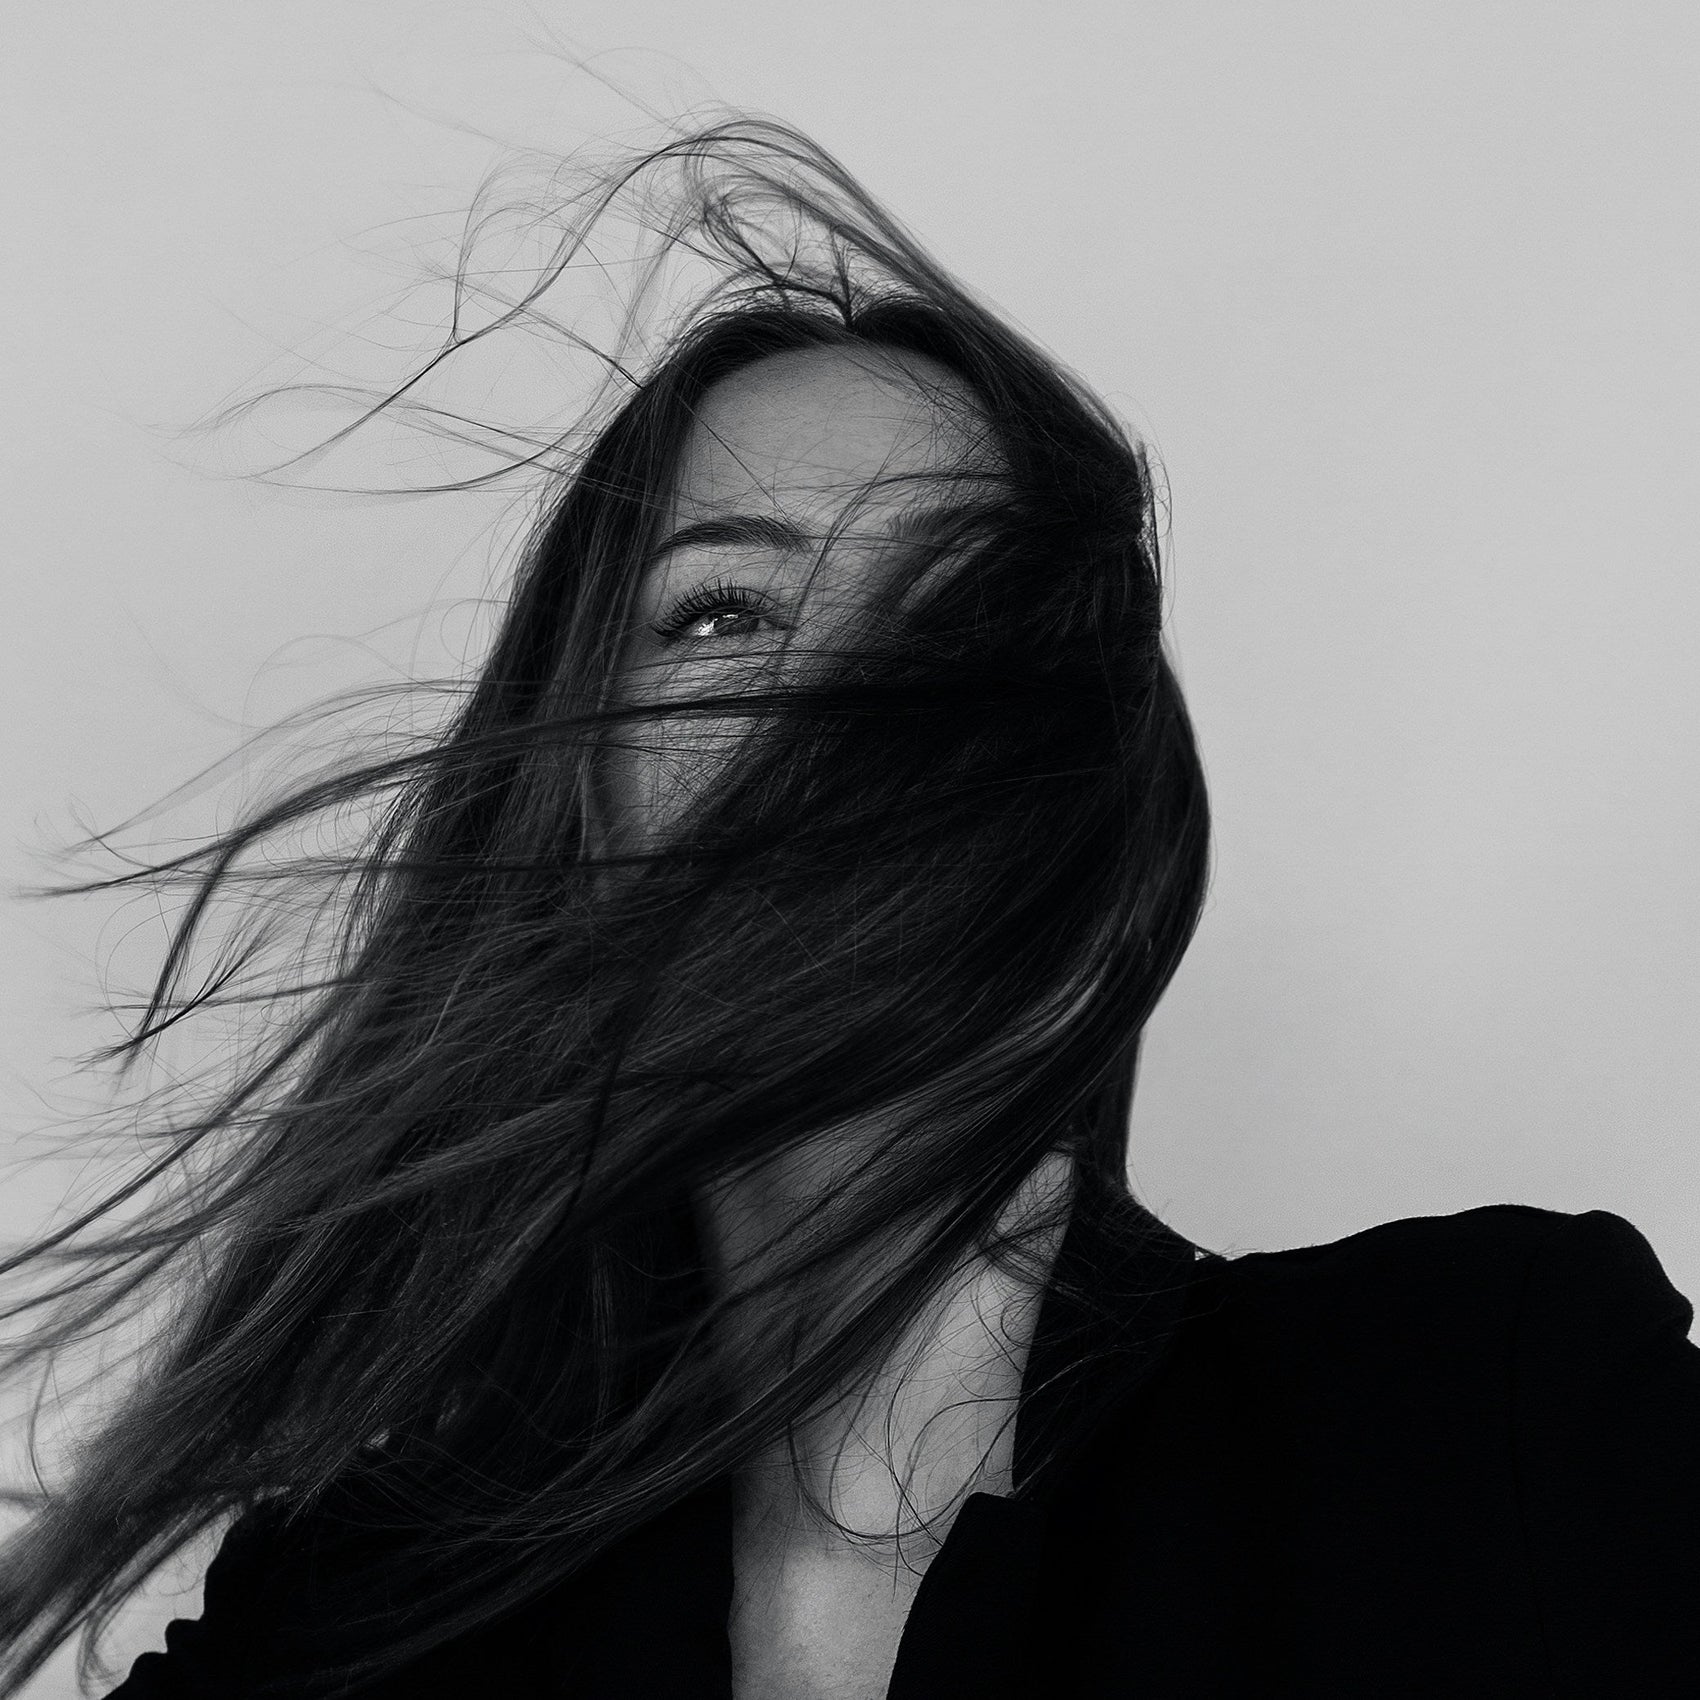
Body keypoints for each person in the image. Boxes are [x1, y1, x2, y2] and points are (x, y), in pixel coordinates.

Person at [0, 116, 1696, 1700]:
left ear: (1093, 808)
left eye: (954, 612)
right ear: (576, 809)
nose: (844, 700)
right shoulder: (346, 1609)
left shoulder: (1490, 1408)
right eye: (725, 615)